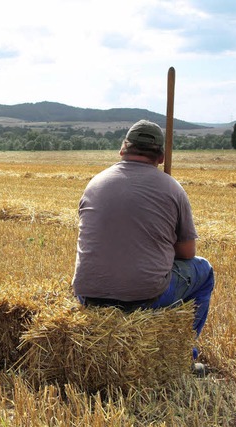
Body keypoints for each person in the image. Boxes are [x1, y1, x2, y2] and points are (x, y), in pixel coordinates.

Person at [71, 119, 215, 362]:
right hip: (145, 297)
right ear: (160, 157)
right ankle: (183, 357)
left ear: (122, 149)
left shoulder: (94, 183)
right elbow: (187, 253)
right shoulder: (173, 189)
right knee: (204, 271)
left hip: (87, 295)